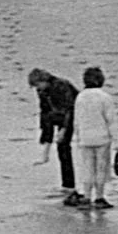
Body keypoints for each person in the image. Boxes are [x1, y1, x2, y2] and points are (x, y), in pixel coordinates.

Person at [27, 66, 80, 205]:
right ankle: (66, 184)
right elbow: (44, 111)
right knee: (56, 140)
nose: (38, 88)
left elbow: (70, 108)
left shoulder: (61, 85)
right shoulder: (42, 90)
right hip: (55, 115)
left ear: (44, 80)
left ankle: (69, 185)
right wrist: (45, 140)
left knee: (63, 147)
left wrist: (64, 129)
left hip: (74, 113)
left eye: (38, 85)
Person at [70, 66, 118, 210]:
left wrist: (77, 137)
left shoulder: (80, 97)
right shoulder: (105, 97)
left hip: (85, 139)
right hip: (102, 139)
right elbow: (111, 121)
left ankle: (86, 196)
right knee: (101, 169)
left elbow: (77, 120)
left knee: (87, 168)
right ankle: (99, 197)